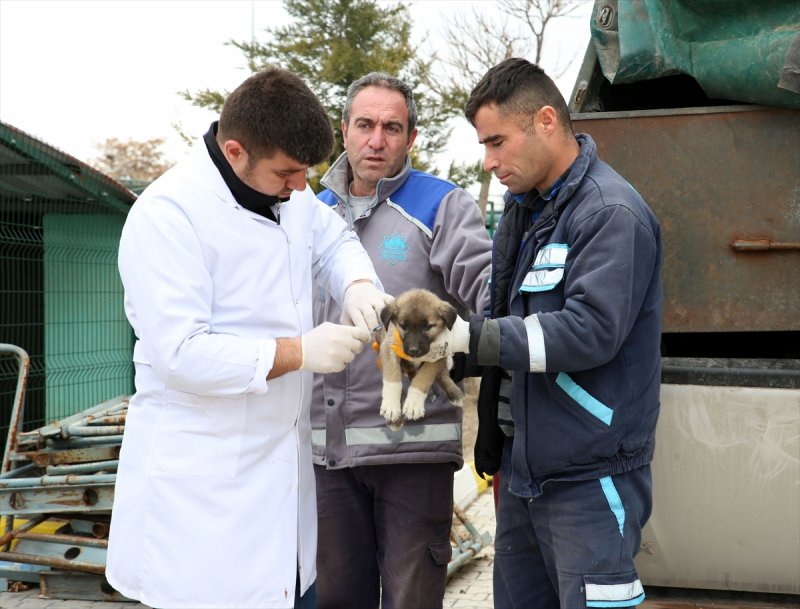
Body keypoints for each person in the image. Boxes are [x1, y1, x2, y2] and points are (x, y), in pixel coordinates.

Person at [106, 68, 392, 609]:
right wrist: (299, 353)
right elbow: (182, 355)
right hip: (200, 509)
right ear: (235, 152)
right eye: (287, 173)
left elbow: (333, 241)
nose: (301, 186)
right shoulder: (169, 216)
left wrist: (358, 285)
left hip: (283, 498)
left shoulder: (289, 192)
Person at [436, 57, 664, 608]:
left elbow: (589, 332)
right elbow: (509, 316)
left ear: (544, 121)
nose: (488, 162)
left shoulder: (609, 213)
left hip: (589, 477)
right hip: (522, 471)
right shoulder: (524, 212)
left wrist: (472, 338)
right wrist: (446, 353)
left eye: (496, 142)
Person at [309, 72, 492, 609]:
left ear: (412, 138)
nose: (377, 140)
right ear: (344, 130)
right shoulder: (310, 211)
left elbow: (487, 297)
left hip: (412, 455)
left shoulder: (442, 205)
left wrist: (455, 343)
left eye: (393, 127)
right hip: (328, 456)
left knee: (412, 600)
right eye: (364, 125)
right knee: (338, 599)